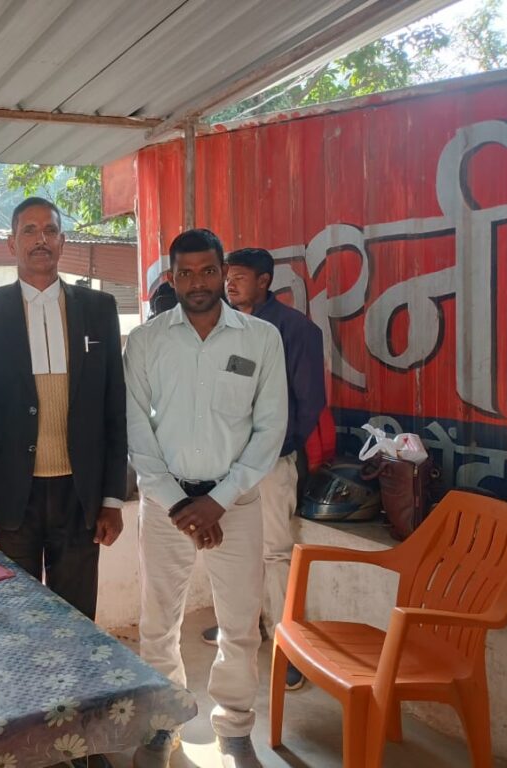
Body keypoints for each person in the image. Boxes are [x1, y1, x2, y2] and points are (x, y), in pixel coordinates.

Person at [124, 228, 287, 768]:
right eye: (186, 273)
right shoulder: (146, 341)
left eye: (208, 271)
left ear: (223, 274)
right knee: (158, 623)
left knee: (240, 626)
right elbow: (137, 431)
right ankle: (162, 723)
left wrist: (217, 501)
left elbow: (270, 429)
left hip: (234, 506)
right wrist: (180, 505)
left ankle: (235, 729)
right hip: (165, 506)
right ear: (172, 278)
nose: (198, 282)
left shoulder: (261, 339)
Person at [0, 197, 127, 619]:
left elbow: (114, 407)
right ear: (11, 243)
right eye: (29, 231)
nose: (41, 240)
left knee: (77, 616)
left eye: (50, 231)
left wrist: (112, 498)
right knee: (16, 617)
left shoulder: (98, 308)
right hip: (12, 498)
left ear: (62, 242)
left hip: (80, 496)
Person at [200, 247, 326, 692]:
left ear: (265, 281)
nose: (230, 285)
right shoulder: (226, 326)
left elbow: (309, 402)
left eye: (239, 277)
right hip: (227, 461)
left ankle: (288, 647)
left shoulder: (296, 330)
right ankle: (242, 625)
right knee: (234, 546)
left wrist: (274, 447)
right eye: (227, 277)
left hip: (272, 463)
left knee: (275, 552)